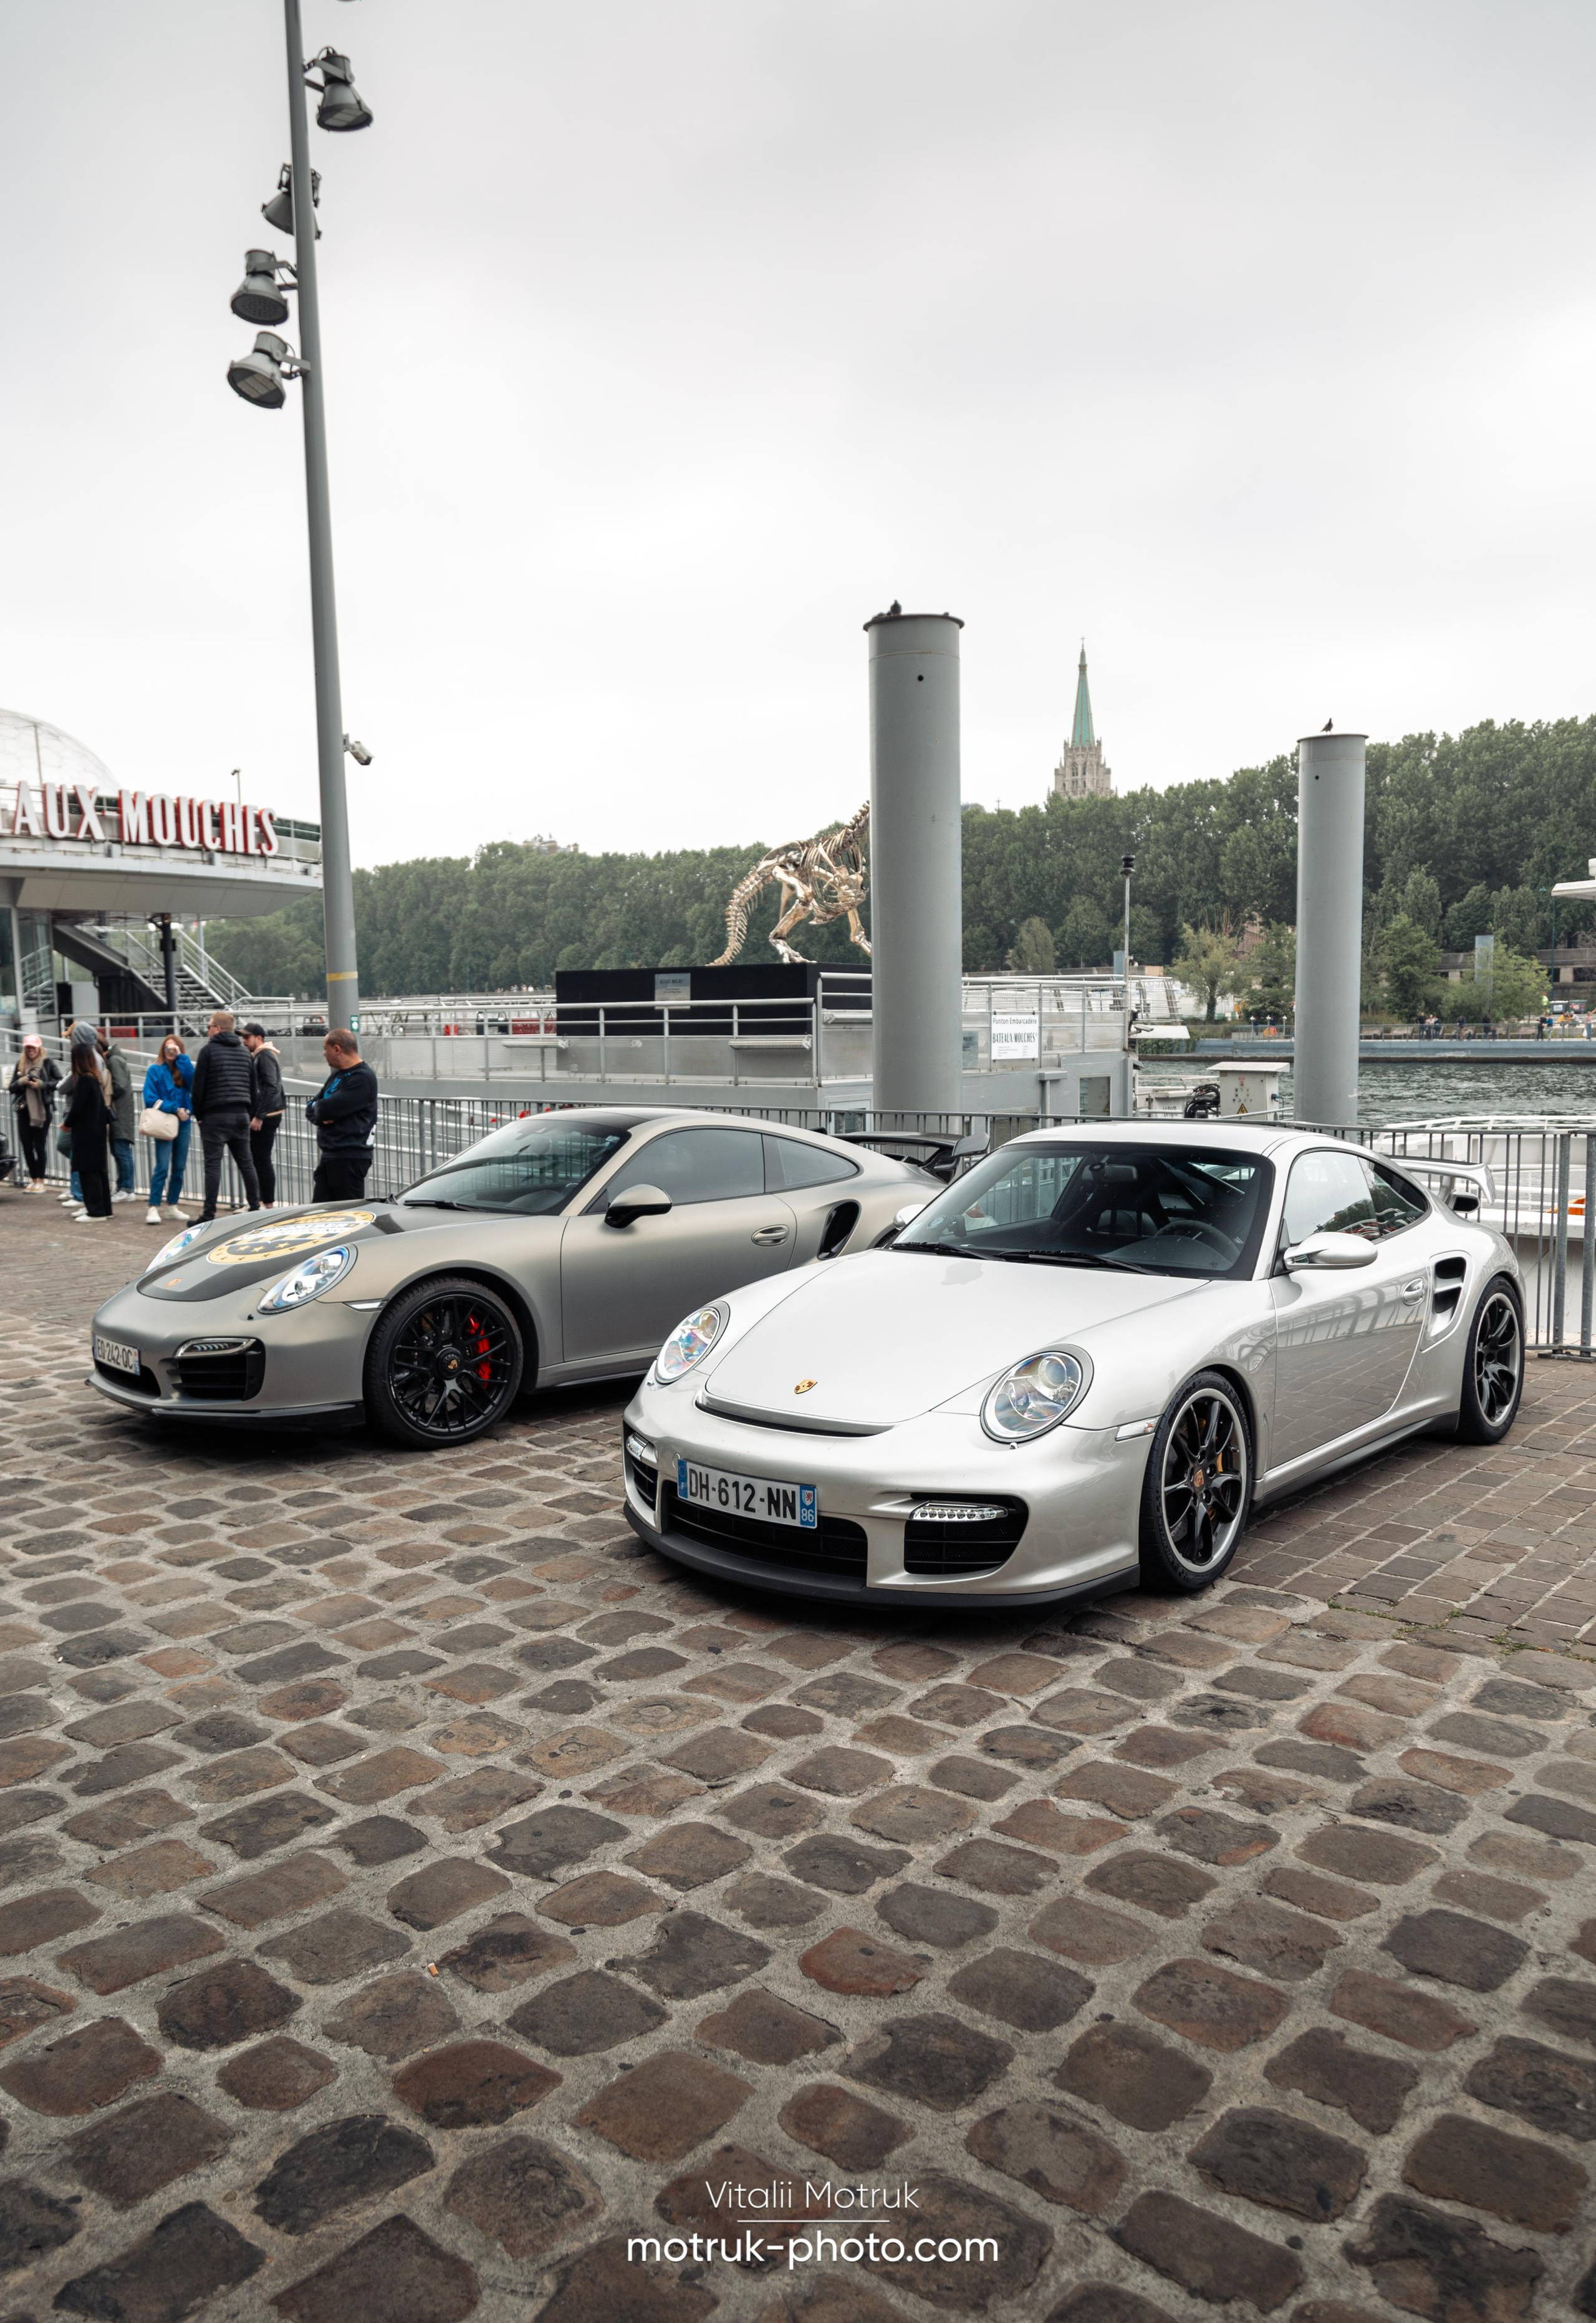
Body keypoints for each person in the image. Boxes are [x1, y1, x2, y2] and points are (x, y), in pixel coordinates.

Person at [190, 1009, 261, 1222]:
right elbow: (254, 1090)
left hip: (215, 1116)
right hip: (241, 1115)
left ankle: (209, 1214)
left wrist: (199, 1115)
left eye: (209, 1026)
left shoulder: (208, 1051)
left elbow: (198, 1089)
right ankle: (255, 1208)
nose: (207, 1030)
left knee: (213, 1165)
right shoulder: (245, 1053)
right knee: (247, 1163)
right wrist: (248, 1113)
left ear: (218, 1029)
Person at [306, 1027, 378, 1202]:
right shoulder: (338, 1076)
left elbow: (325, 1109)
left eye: (325, 1049)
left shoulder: (362, 1078)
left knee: (348, 1212)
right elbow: (310, 1108)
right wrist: (320, 1110)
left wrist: (320, 1108)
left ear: (337, 1049)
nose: (324, 1054)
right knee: (320, 1212)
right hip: (331, 1156)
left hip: (349, 1158)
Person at [142, 1034, 194, 1225]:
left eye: (174, 1049)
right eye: (167, 1048)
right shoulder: (155, 1070)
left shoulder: (184, 1069)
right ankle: (153, 1206)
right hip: (165, 1122)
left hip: (184, 1123)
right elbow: (149, 1098)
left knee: (179, 1166)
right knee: (162, 1166)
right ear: (162, 1050)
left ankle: (172, 1205)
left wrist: (182, 1058)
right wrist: (175, 1109)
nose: (170, 1052)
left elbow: (194, 1083)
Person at [63, 1039, 112, 1222]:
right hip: (97, 1130)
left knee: (88, 1170)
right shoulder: (94, 1079)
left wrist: (68, 1122)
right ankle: (104, 1208)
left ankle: (95, 1211)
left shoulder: (84, 1080)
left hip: (86, 1132)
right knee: (99, 1171)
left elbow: (77, 1108)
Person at [7, 1035, 60, 1190]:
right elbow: (11, 1088)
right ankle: (34, 1178)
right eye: (28, 1047)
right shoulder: (20, 1064)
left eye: (33, 1047)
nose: (31, 1050)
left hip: (42, 1110)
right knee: (27, 1145)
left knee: (40, 1145)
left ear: (39, 1048)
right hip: (24, 1110)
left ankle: (41, 1181)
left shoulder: (48, 1063)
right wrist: (20, 1082)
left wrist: (43, 1085)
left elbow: (59, 1081)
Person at [242, 1023, 286, 1208]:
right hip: (267, 1114)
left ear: (259, 1038)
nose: (244, 1041)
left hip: (267, 1116)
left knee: (261, 1160)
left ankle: (266, 1204)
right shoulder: (261, 1055)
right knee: (258, 1159)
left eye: (247, 1037)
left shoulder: (264, 1055)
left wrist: (259, 1115)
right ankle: (261, 1202)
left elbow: (270, 1086)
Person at [98, 1029, 137, 1203]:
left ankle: (127, 1188)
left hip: (120, 1113)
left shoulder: (114, 1061)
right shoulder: (115, 1059)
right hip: (120, 1112)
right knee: (119, 1150)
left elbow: (119, 1085)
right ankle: (123, 1186)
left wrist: (106, 1092)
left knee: (121, 1151)